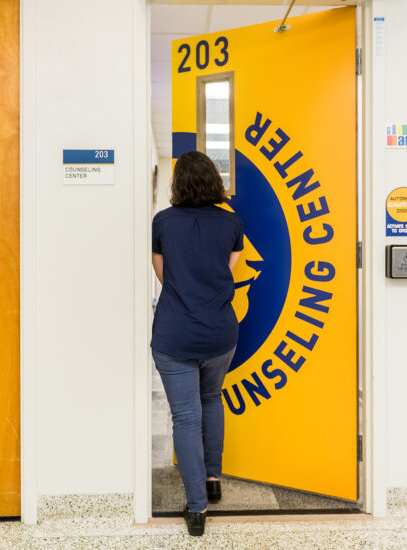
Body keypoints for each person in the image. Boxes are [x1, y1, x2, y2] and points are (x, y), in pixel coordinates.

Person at [151, 151, 243, 537]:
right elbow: (228, 269)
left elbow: (162, 275)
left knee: (186, 417)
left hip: (175, 333)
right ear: (213, 180)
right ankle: (212, 477)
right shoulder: (231, 223)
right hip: (220, 332)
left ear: (178, 183)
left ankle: (197, 509)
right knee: (211, 399)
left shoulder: (163, 222)